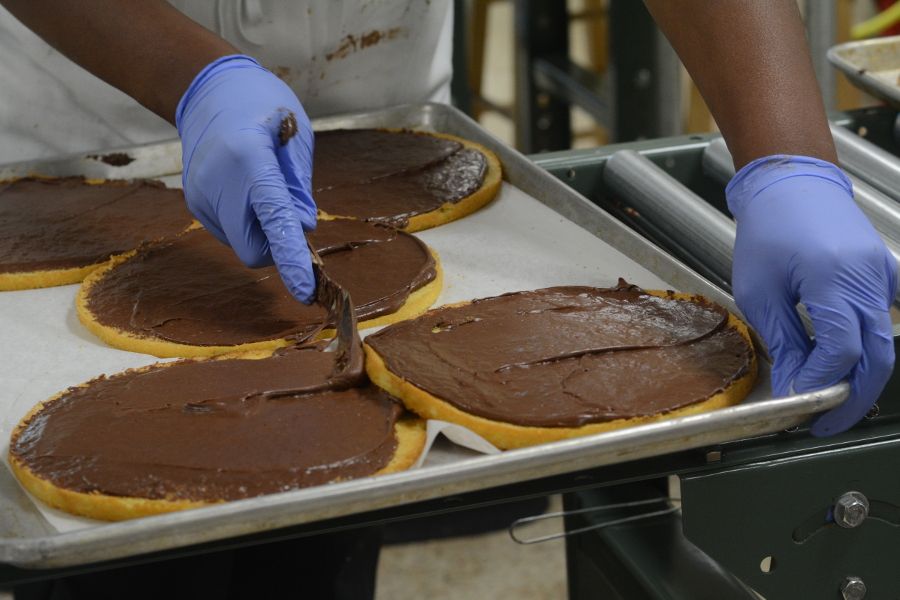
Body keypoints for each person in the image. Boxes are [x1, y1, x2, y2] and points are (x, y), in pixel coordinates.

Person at [1, 0, 895, 597]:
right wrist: (191, 79)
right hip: (82, 120)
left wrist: (788, 157)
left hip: (368, 104)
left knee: (317, 513)